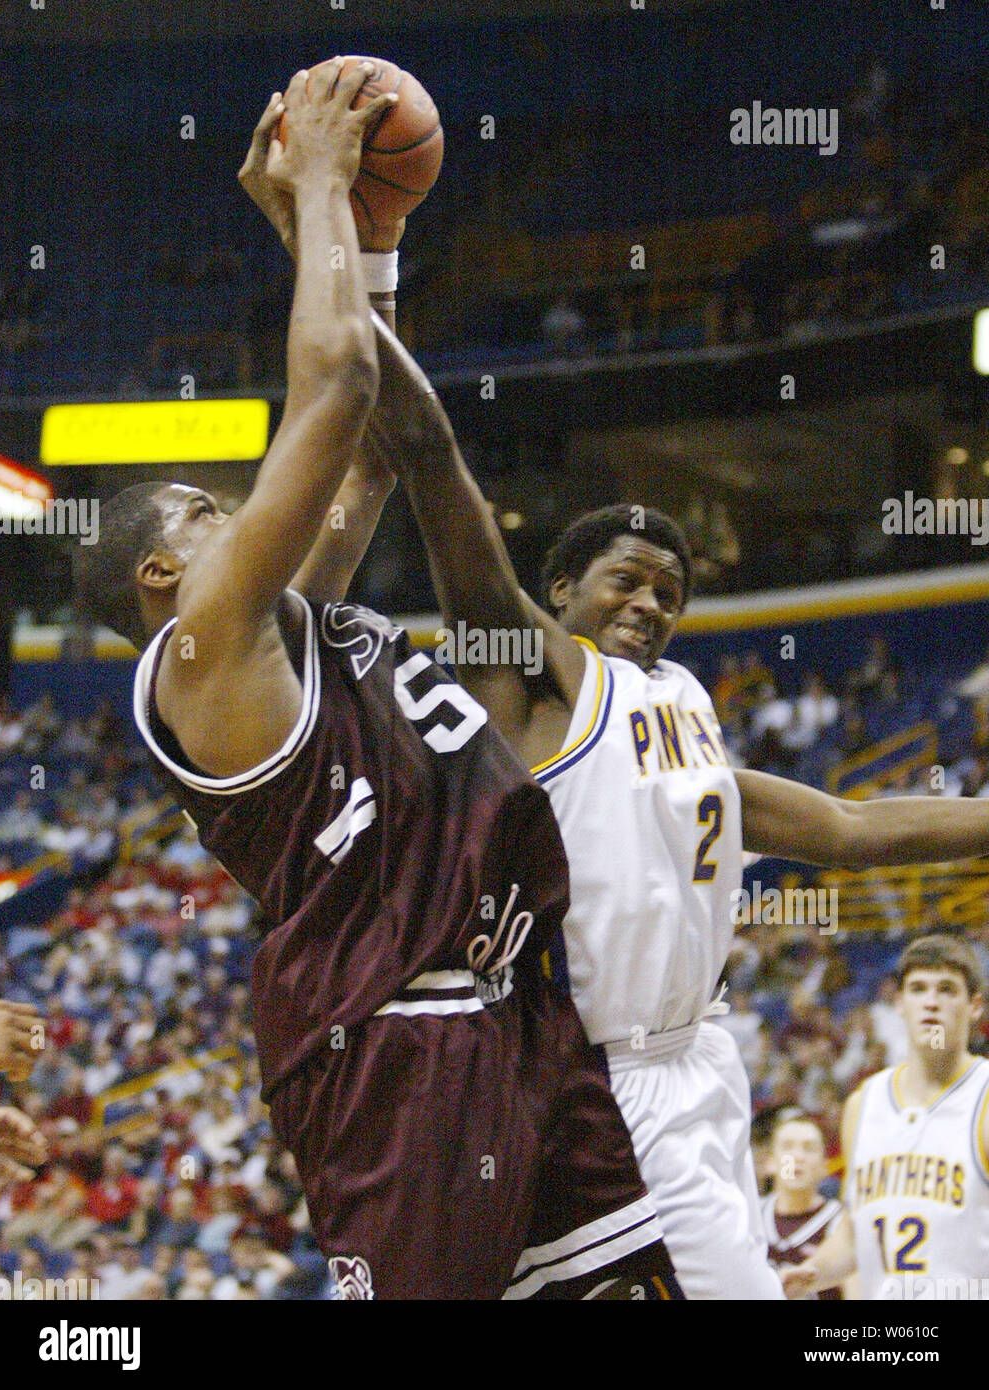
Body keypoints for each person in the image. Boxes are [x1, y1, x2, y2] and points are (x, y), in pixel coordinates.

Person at [72, 63, 670, 1301]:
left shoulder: (291, 617)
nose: (231, 505)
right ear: (157, 571)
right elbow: (334, 387)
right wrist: (329, 192)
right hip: (395, 1037)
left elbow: (382, 452)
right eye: (200, 505)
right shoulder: (207, 642)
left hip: (505, 1008)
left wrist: (370, 245)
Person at [332, 309, 989, 1298]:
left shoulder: (683, 703)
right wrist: (364, 286)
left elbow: (848, 830)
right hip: (604, 1080)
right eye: (625, 580)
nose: (650, 602)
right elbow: (453, 513)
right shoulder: (531, 687)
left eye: (670, 592)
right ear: (560, 591)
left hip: (704, 1061)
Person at [783, 934, 989, 1300]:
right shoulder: (863, 1104)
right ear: (899, 1003)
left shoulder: (983, 1096)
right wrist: (814, 1272)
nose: (931, 1003)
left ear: (974, 1006)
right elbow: (854, 1230)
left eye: (946, 990)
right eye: (918, 989)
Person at [761, 1112, 844, 1299]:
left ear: (825, 1165)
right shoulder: (749, 1217)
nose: (798, 1157)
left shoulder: (842, 1223)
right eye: (787, 1147)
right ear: (770, 1163)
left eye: (809, 1148)